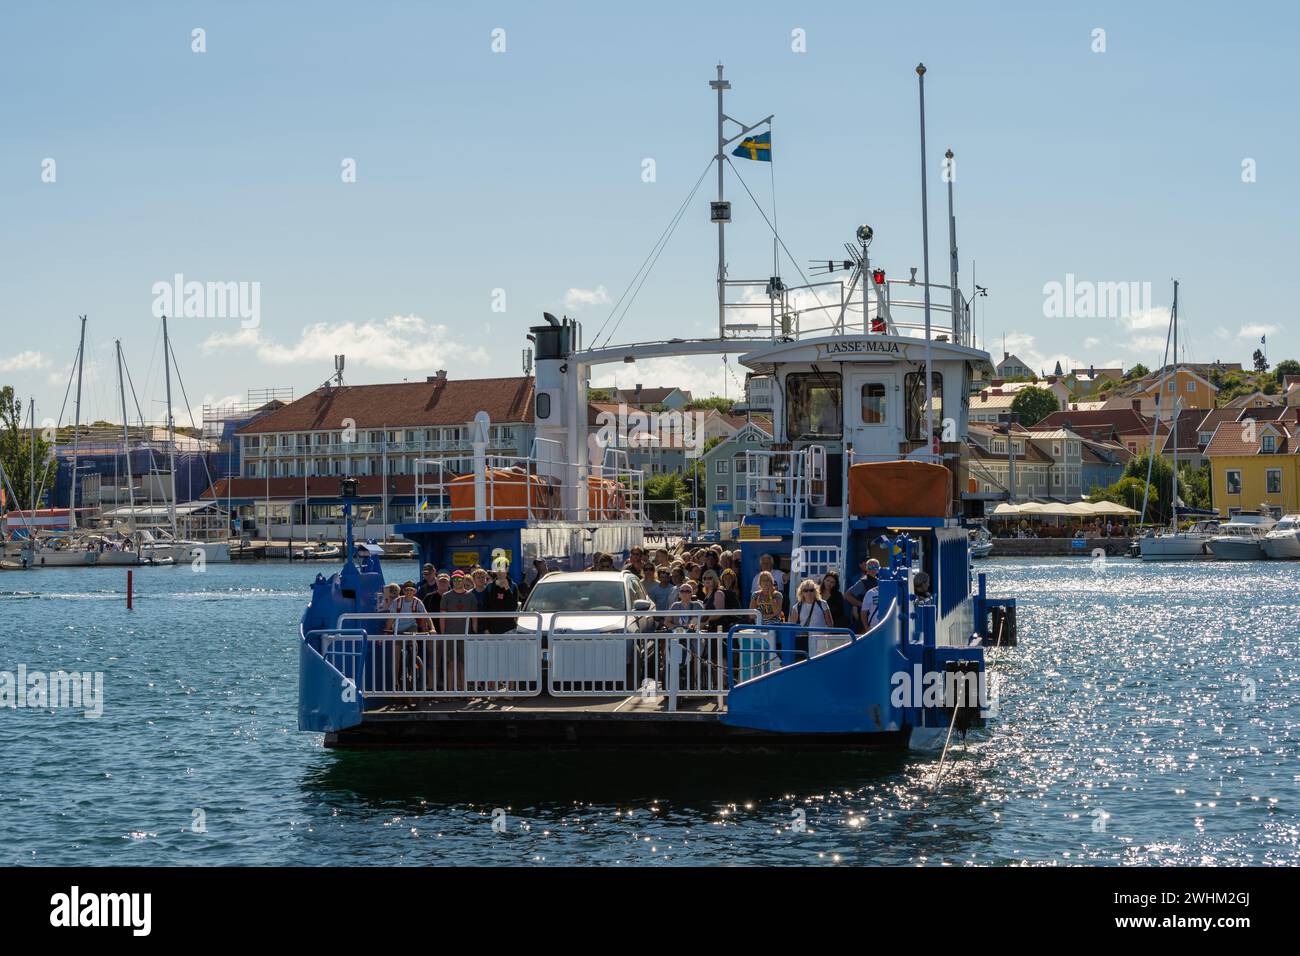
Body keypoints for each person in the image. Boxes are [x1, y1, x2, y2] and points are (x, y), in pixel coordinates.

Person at [482, 560, 520, 634]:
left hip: (509, 629)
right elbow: (485, 608)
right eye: (497, 570)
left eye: (502, 569)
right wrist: (485, 628)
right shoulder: (490, 587)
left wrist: (507, 589)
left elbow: (513, 607)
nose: (499, 572)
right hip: (492, 629)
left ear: (507, 569)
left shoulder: (513, 586)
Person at [844, 557, 880, 625]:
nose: (873, 569)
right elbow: (847, 595)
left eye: (875, 567)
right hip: (866, 616)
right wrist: (860, 604)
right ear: (866, 568)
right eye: (870, 567)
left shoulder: (880, 581)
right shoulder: (863, 582)